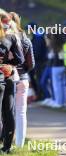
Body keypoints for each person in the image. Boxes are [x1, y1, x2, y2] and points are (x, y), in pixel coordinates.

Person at [10, 12, 35, 147]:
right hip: (23, 78)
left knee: (6, 111)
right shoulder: (26, 39)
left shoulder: (5, 38)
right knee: (21, 113)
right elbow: (32, 64)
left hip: (9, 78)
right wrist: (24, 71)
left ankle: (5, 139)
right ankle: (19, 144)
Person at [0, 12, 24, 153]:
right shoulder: (12, 37)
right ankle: (7, 147)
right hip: (7, 76)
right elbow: (20, 59)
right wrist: (9, 64)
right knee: (8, 112)